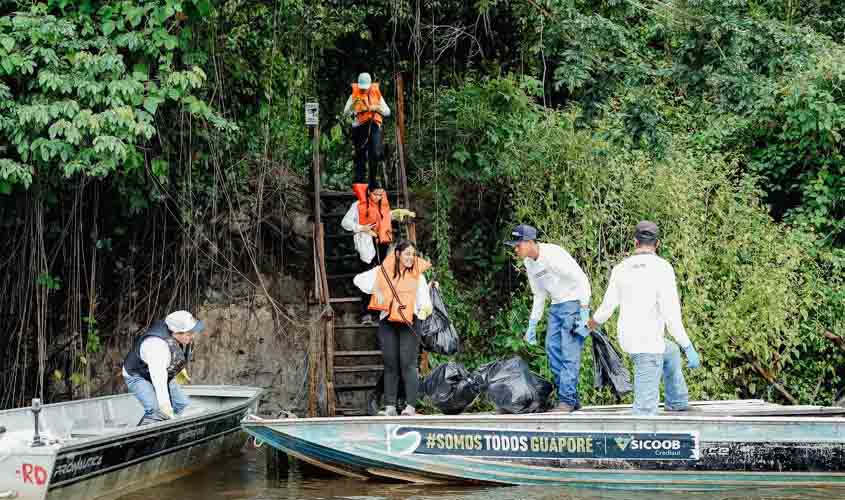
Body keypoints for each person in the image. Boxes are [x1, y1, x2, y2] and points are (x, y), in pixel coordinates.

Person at [587, 221, 701, 416]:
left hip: (629, 339)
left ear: (635, 242)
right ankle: (643, 425)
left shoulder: (621, 268)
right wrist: (688, 345)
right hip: (647, 347)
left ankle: (676, 401)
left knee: (671, 351)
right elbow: (671, 316)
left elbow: (606, 309)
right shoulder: (663, 268)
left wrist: (588, 325)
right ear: (657, 244)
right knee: (645, 413)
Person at [505, 224, 592, 413]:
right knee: (552, 352)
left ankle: (566, 401)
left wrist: (584, 312)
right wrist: (532, 324)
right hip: (556, 306)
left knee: (569, 354)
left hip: (574, 303)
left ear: (529, 242)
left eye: (517, 244)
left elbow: (581, 279)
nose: (515, 248)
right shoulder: (529, 262)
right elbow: (539, 294)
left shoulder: (553, 256)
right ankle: (571, 399)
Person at [354, 240, 433, 416]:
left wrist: (417, 316)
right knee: (391, 364)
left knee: (408, 364)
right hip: (387, 322)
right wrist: (378, 290)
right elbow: (358, 280)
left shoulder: (418, 277)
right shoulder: (383, 272)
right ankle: (390, 406)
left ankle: (410, 407)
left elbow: (426, 304)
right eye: (407, 254)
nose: (410, 258)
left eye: (413, 254)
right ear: (397, 255)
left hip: (409, 322)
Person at [122, 310, 205, 425]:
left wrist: (179, 370)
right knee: (157, 412)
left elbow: (174, 353)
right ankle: (140, 439)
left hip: (162, 371)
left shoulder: (175, 331)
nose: (193, 336)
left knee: (183, 405)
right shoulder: (156, 346)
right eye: (189, 333)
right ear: (176, 333)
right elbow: (159, 382)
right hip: (137, 374)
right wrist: (166, 409)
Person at [342, 186, 393, 324]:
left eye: (381, 195)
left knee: (383, 277)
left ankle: (381, 311)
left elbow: (385, 219)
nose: (378, 197)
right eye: (376, 194)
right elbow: (345, 222)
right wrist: (361, 228)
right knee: (366, 278)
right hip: (366, 246)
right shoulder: (358, 205)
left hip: (382, 244)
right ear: (369, 192)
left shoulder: (383, 205)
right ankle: (366, 314)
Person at [344, 72, 391, 198]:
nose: (364, 89)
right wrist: (353, 106)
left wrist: (377, 108)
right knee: (360, 156)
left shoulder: (376, 93)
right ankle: (359, 184)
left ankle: (373, 183)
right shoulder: (354, 95)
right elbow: (345, 112)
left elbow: (387, 112)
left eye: (366, 87)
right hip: (359, 127)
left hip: (374, 126)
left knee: (375, 153)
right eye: (362, 87)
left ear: (370, 85)